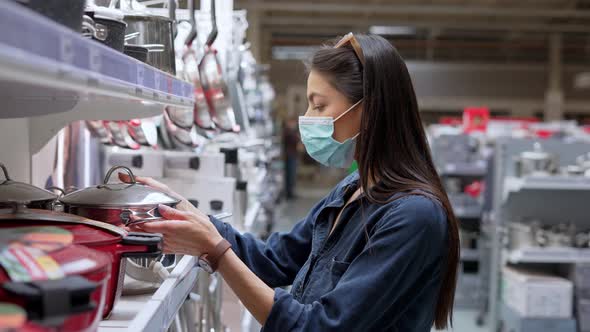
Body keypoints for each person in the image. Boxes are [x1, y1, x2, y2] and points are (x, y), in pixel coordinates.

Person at [121, 33, 460, 331]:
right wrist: (187, 215)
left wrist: (216, 251)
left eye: (319, 105)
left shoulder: (414, 217)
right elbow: (274, 261)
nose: (306, 120)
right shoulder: (350, 190)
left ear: (368, 110)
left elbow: (320, 327)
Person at [282, 115, 300, 200]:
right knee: (290, 175)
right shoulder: (288, 132)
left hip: (292, 155)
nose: (294, 124)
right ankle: (289, 194)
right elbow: (295, 140)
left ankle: (290, 192)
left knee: (292, 175)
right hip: (290, 156)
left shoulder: (291, 131)